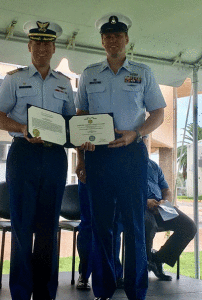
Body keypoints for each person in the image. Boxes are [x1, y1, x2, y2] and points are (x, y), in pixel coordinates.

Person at [75, 12, 166, 300]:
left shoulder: (144, 72)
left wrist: (135, 134)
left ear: (126, 39)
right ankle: (103, 288)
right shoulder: (89, 74)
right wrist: (80, 156)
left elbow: (158, 113)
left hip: (132, 154)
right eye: (107, 36)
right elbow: (81, 116)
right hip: (98, 157)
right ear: (102, 41)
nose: (112, 40)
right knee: (102, 226)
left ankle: (136, 290)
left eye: (117, 35)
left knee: (135, 224)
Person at [0, 20, 75, 300]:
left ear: (54, 48)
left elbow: (70, 121)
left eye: (46, 44)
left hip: (54, 156)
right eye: (36, 43)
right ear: (29, 46)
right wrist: (22, 128)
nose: (41, 48)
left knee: (48, 226)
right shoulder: (14, 79)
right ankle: (20, 292)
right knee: (22, 227)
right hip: (23, 155)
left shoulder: (64, 83)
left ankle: (45, 293)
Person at [145, 158, 197, 281]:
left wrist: (166, 201)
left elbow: (166, 190)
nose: (144, 141)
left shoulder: (153, 165)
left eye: (145, 138)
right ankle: (144, 263)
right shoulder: (126, 163)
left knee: (189, 227)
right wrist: (145, 202)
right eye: (142, 139)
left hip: (161, 206)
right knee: (149, 225)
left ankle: (157, 259)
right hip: (140, 207)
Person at [76, 180, 124, 290]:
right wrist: (80, 163)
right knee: (88, 224)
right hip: (90, 170)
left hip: (116, 171)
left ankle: (115, 274)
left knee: (115, 225)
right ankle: (84, 274)